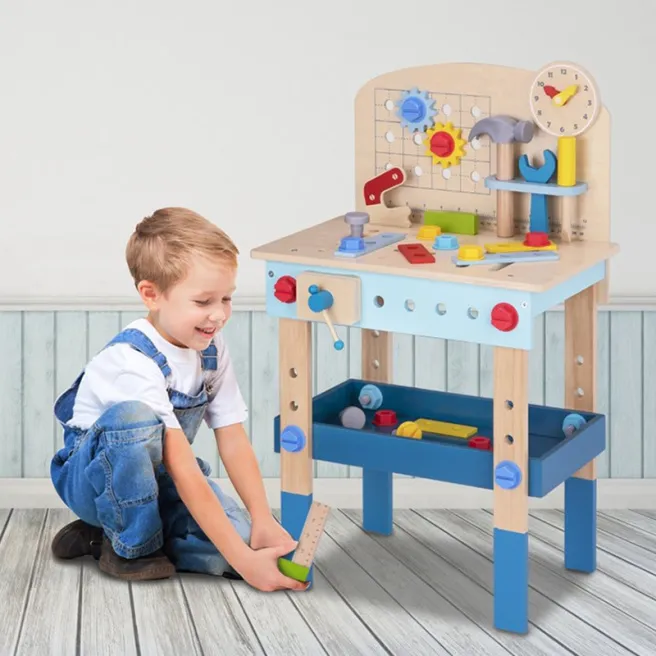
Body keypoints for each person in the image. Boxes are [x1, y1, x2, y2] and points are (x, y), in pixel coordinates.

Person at [49, 207, 307, 592]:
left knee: (239, 544)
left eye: (226, 298)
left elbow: (232, 438)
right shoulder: (131, 362)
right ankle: (127, 546)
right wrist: (246, 562)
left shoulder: (210, 348)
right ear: (151, 295)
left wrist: (261, 520)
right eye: (203, 302)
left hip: (160, 480)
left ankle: (115, 536)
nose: (218, 315)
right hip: (92, 484)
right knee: (133, 418)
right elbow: (182, 465)